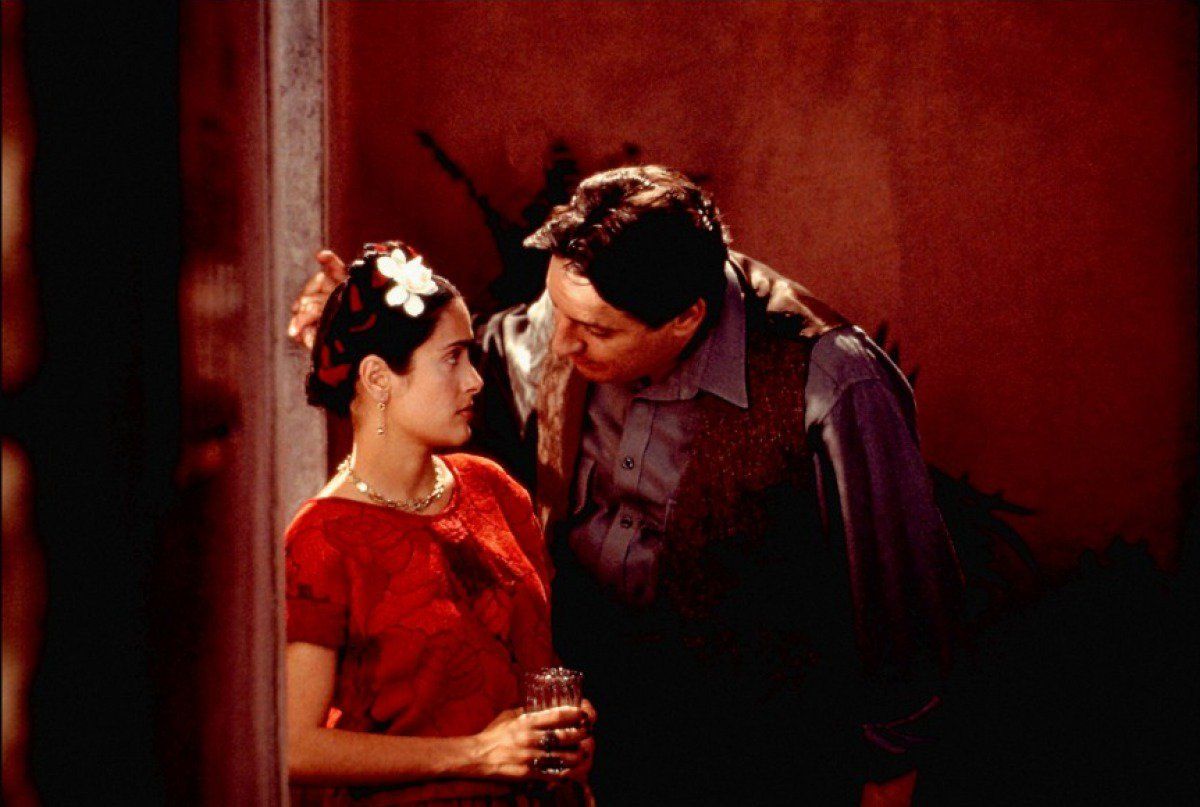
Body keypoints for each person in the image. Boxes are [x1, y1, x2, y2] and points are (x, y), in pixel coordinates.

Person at [290, 168, 963, 806]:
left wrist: (887, 784)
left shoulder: (831, 381)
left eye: (594, 330)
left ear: (685, 319)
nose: (560, 344)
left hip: (757, 754)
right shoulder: (560, 327)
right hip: (594, 746)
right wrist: (357, 324)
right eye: (557, 311)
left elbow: (904, 613)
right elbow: (450, 368)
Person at [285, 240, 595, 806]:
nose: (475, 380)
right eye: (452, 358)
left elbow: (536, 667)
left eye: (470, 357)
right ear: (378, 378)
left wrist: (562, 733)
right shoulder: (322, 539)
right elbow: (297, 747)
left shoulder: (492, 489)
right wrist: (476, 754)